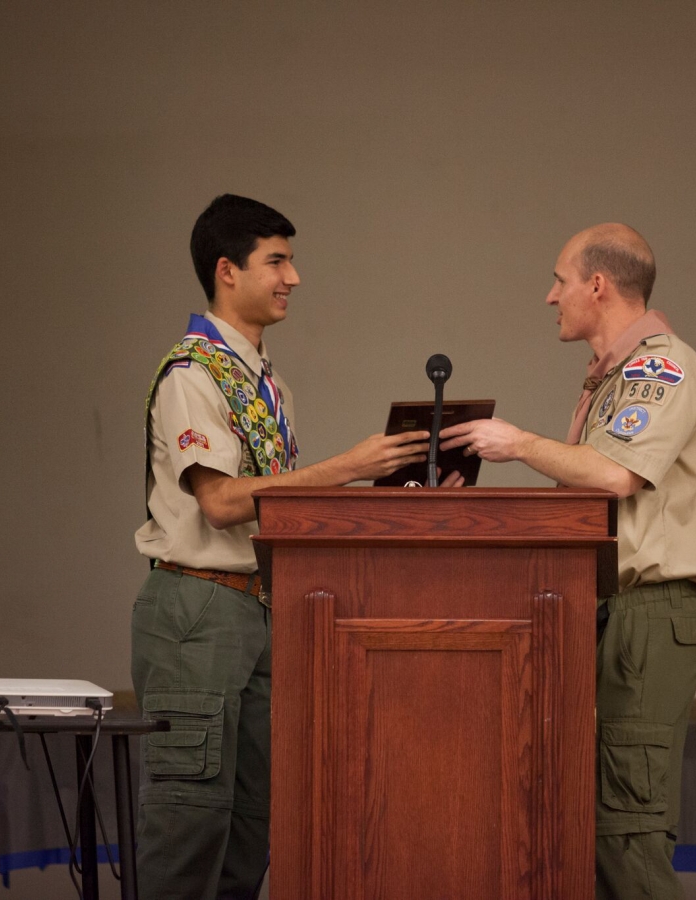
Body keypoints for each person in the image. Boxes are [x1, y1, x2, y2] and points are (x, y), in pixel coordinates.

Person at [132, 194, 432, 900]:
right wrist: (348, 467)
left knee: (251, 828)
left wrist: (388, 494)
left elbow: (278, 509)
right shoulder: (193, 371)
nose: (293, 276)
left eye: (291, 260)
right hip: (197, 608)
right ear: (227, 271)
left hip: (261, 609)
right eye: (277, 261)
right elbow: (222, 501)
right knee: (189, 823)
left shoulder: (269, 384)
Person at [440, 223, 696, 900]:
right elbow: (587, 507)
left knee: (626, 833)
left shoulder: (662, 367)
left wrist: (518, 443)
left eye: (560, 279)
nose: (551, 296)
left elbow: (616, 477)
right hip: (605, 615)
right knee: (592, 833)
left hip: (644, 620)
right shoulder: (611, 379)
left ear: (597, 286)